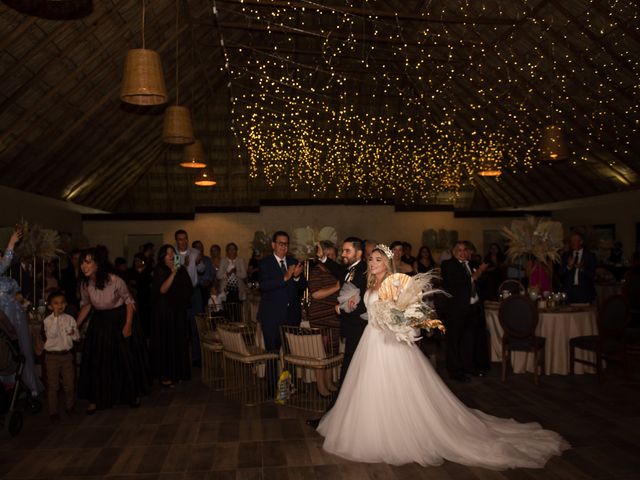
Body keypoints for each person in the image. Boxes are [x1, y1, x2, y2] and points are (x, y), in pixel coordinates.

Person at [317, 245, 569, 469]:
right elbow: (367, 308)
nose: (373, 263)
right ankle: (366, 430)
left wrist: (398, 323)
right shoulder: (370, 284)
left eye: (378, 260)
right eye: (371, 259)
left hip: (389, 342)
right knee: (367, 388)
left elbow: (408, 312)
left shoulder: (395, 281)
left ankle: (401, 432)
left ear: (388, 263)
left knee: (397, 389)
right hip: (370, 341)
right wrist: (347, 306)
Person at [76, 248, 148, 414]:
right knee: (97, 360)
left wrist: (128, 325)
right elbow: (86, 305)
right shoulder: (85, 284)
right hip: (100, 322)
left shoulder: (115, 280)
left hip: (118, 320)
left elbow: (129, 301)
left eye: (87, 262)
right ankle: (96, 399)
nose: (83, 266)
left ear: (98, 264)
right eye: (82, 262)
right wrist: (75, 325)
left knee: (123, 358)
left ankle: (131, 395)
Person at [257, 231, 306, 394]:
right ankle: (271, 386)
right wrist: (285, 278)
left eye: (286, 244)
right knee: (272, 352)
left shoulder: (293, 261)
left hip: (291, 315)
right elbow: (263, 286)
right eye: (280, 243)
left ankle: (287, 387)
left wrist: (297, 277)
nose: (284, 247)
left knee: (290, 353)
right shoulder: (265, 263)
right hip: (271, 316)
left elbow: (302, 286)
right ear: (273, 245)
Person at [317, 237, 368, 387]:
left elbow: (364, 303)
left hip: (359, 327)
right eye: (343, 250)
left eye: (347, 251)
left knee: (352, 369)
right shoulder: (351, 268)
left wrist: (342, 308)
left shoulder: (364, 271)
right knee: (349, 367)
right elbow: (339, 270)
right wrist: (323, 258)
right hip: (351, 327)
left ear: (358, 253)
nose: (343, 254)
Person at [0, 228, 43, 396]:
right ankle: (7, 384)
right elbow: (5, 264)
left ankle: (29, 383)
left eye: (1, 256)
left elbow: (19, 296)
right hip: (3, 316)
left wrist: (24, 303)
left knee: (23, 347)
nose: (1, 259)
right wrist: (11, 242)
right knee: (6, 349)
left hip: (16, 314)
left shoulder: (8, 280)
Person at [438, 241, 487, 382]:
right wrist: (479, 272)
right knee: (454, 342)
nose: (462, 252)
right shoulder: (448, 265)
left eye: (465, 249)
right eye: (459, 250)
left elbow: (477, 285)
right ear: (454, 252)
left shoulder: (471, 264)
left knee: (469, 341)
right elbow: (459, 284)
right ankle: (455, 372)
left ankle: (468, 367)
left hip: (472, 308)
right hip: (456, 310)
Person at [150, 245, 192, 388]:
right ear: (162, 257)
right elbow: (162, 290)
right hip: (164, 312)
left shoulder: (180, 268)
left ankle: (178, 373)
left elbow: (188, 285)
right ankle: (165, 375)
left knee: (178, 341)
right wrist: (173, 273)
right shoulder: (160, 269)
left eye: (172, 253)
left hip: (177, 310)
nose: (170, 255)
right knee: (166, 342)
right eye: (167, 253)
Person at [42, 290, 79, 423]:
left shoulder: (70, 319)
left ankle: (69, 406)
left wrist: (73, 333)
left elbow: (77, 337)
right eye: (56, 303)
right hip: (52, 357)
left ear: (66, 304)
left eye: (62, 303)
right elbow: (51, 334)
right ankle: (53, 412)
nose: (60, 305)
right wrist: (56, 318)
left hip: (67, 355)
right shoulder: (48, 320)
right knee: (53, 386)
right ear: (50, 307)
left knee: (69, 384)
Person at [560, 232, 597, 304]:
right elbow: (560, 274)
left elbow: (592, 275)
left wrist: (582, 268)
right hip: (569, 292)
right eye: (571, 241)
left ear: (581, 242)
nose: (572, 243)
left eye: (575, 240)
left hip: (584, 292)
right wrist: (568, 267)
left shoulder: (590, 256)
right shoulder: (566, 255)